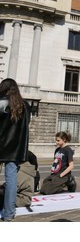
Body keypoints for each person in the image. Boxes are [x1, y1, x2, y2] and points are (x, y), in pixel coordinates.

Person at [0, 78, 30, 221]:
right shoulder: (24, 105)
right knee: (11, 180)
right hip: (14, 149)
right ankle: (9, 214)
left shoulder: (1, 102)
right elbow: (25, 127)